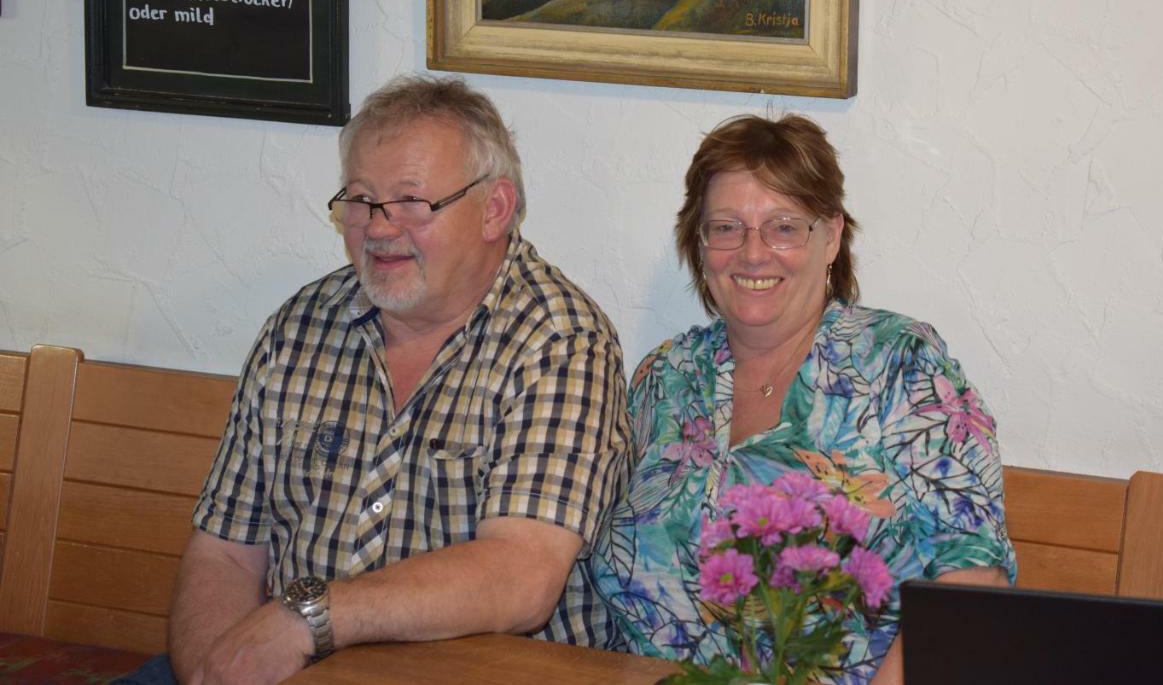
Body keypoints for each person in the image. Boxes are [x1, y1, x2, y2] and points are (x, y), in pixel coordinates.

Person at [151, 76, 628, 685]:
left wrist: (308, 618)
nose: (378, 228)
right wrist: (210, 673)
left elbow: (521, 575)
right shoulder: (300, 326)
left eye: (411, 201)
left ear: (494, 210)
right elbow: (224, 550)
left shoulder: (560, 342)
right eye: (360, 199)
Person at [590, 114, 1016, 684]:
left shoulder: (899, 365)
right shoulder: (666, 378)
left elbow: (971, 585)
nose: (753, 253)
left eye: (784, 227)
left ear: (832, 237)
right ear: (699, 242)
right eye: (726, 227)